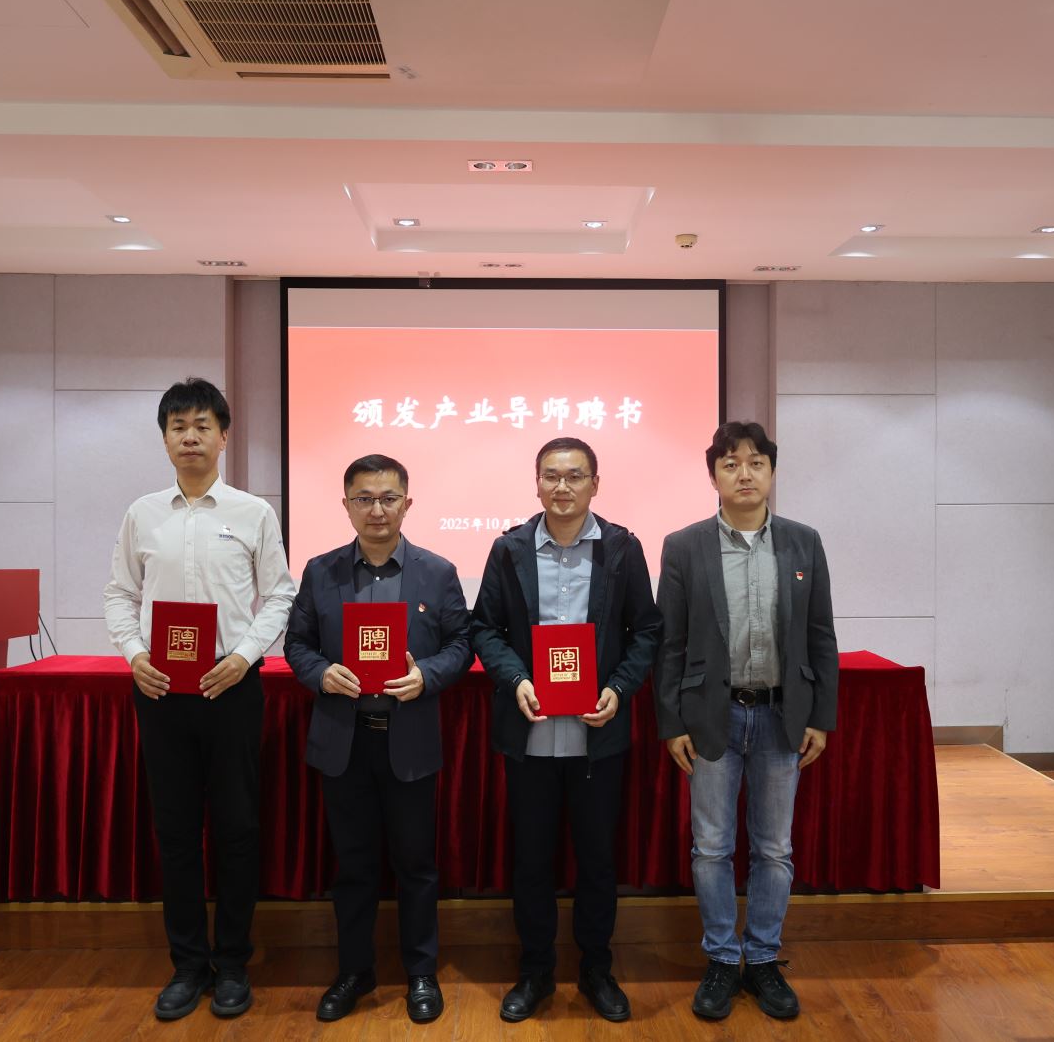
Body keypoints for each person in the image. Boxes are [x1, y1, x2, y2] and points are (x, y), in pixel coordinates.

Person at [103, 377, 295, 1021]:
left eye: (202, 426)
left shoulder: (252, 512)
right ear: (164, 439)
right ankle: (187, 965)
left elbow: (279, 594)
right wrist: (135, 655)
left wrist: (245, 656)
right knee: (176, 831)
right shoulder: (142, 514)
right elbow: (120, 594)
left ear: (223, 437)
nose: (190, 437)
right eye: (178, 427)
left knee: (237, 828)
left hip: (231, 687)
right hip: (161, 691)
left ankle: (234, 962)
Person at [470, 437, 661, 1023]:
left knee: (597, 861)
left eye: (575, 476)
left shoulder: (622, 548)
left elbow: (646, 631)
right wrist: (516, 679)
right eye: (551, 475)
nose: (562, 487)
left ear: (594, 485)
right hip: (529, 734)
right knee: (531, 861)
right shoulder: (509, 549)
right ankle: (535, 972)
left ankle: (597, 971)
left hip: (596, 734)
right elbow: (484, 629)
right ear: (536, 484)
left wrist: (618, 689)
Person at [654, 420, 837, 1021]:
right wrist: (671, 722)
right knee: (711, 848)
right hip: (713, 716)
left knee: (774, 849)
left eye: (756, 462)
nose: (744, 474)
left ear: (772, 472)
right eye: (730, 464)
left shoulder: (804, 543)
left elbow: (820, 635)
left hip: (783, 716)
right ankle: (719, 958)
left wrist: (821, 716)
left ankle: (761, 959)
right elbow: (669, 643)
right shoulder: (684, 546)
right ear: (713, 476)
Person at [284, 454, 472, 1023]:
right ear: (345, 505)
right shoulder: (320, 571)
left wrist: (427, 675)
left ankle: (421, 972)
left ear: (407, 504)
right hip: (345, 741)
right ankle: (354, 971)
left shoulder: (437, 572)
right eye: (363, 499)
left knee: (417, 865)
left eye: (388, 498)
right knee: (354, 867)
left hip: (408, 738)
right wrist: (321, 673)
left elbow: (462, 645)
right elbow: (297, 645)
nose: (377, 510)